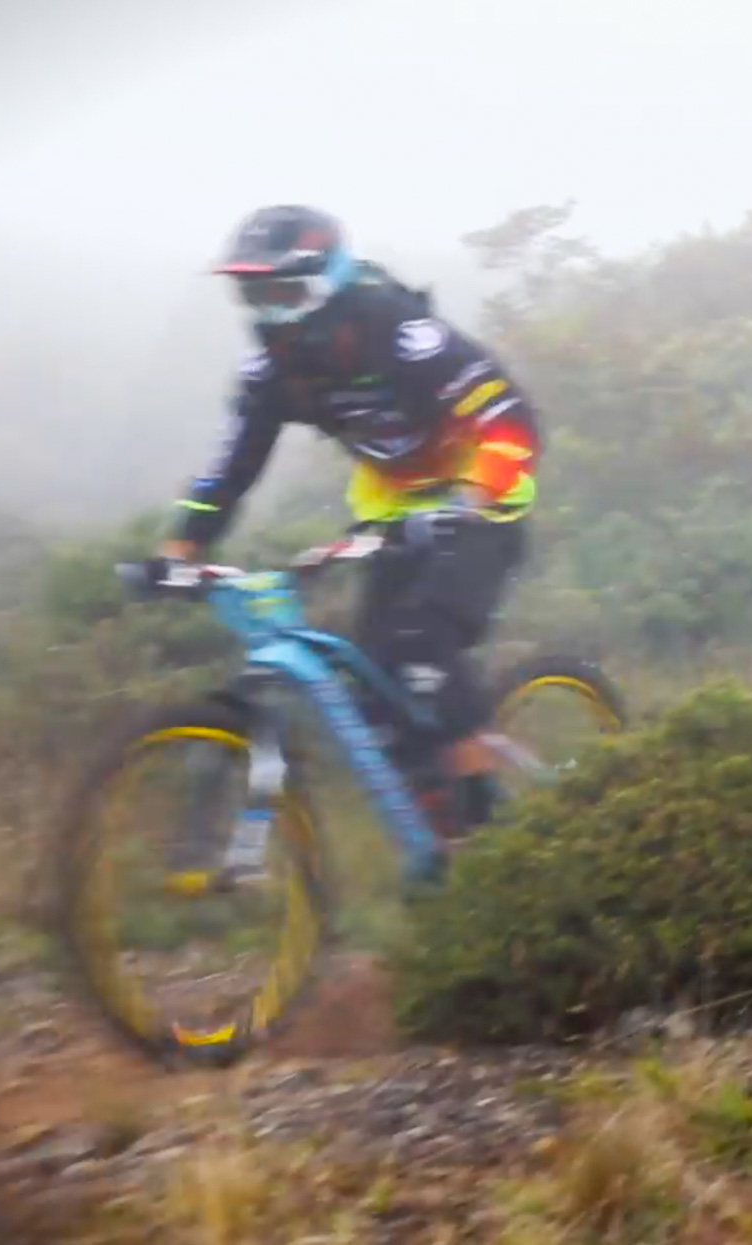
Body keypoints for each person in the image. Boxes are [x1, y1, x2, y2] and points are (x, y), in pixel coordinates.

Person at [151, 204, 541, 836]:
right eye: (254, 294)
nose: (269, 311)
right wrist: (180, 547)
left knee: (424, 652)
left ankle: (488, 830)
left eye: (284, 291)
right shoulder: (274, 375)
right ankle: (437, 830)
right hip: (389, 518)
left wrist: (472, 502)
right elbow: (229, 471)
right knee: (376, 693)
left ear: (327, 283)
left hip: (481, 507)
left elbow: (511, 421)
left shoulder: (407, 338)